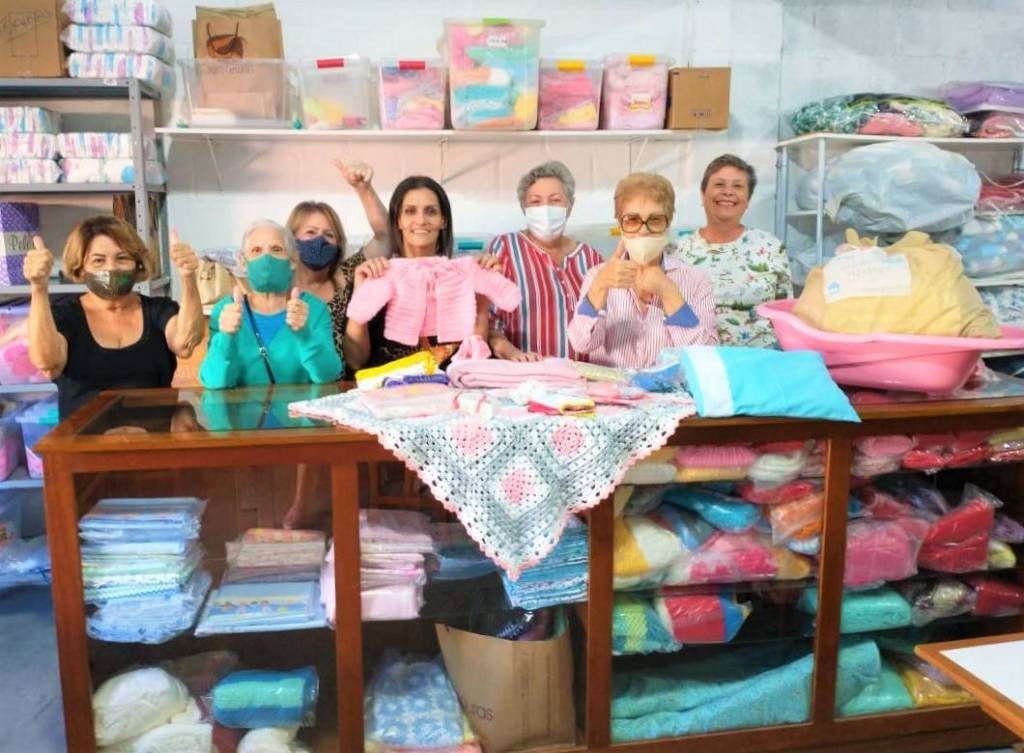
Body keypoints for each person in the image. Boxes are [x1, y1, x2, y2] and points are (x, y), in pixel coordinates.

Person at [24, 215, 205, 419]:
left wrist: (188, 277)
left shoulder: (158, 309)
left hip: (156, 435)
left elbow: (185, 343)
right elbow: (47, 363)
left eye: (122, 258)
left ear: (137, 264)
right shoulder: (65, 315)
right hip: (85, 436)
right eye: (98, 260)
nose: (111, 268)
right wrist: (38, 287)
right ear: (81, 268)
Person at [344, 175, 497, 371]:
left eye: (431, 211)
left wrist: (483, 293)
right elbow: (355, 361)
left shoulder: (461, 278)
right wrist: (360, 295)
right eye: (410, 211)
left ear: (443, 220)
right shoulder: (377, 276)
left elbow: (474, 356)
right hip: (389, 389)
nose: (421, 220)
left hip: (449, 386)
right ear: (398, 221)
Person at [568, 173, 718, 369]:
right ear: (620, 225)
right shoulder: (597, 275)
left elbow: (707, 356)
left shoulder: (696, 280)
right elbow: (582, 344)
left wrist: (669, 293)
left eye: (655, 220)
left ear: (668, 224)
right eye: (632, 220)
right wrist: (600, 286)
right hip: (612, 386)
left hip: (671, 387)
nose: (644, 230)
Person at [667, 154, 793, 348]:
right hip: (699, 357)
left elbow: (786, 312)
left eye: (738, 186)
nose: (728, 192)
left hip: (762, 357)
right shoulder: (676, 251)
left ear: (748, 199)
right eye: (719, 184)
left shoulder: (770, 246)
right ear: (703, 195)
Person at [199, 220, 342, 388]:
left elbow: (328, 376)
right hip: (242, 406)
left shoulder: (314, 309)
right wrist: (225, 337)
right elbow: (214, 382)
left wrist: (305, 335)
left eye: (276, 249)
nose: (266, 258)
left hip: (299, 405)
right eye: (256, 250)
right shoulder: (226, 310)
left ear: (293, 260)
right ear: (243, 263)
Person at [486, 161, 603, 361]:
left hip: (583, 375)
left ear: (569, 206)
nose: (546, 209)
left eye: (555, 200)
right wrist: (512, 353)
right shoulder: (505, 248)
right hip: (527, 373)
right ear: (524, 208)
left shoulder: (591, 257)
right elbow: (490, 322)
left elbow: (605, 323)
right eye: (535, 201)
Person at [288, 160, 389, 373]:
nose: (320, 240)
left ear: (338, 243)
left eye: (329, 234)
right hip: (291, 383)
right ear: (291, 239)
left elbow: (386, 236)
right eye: (310, 232)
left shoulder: (348, 275)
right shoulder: (279, 285)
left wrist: (363, 188)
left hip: (339, 385)